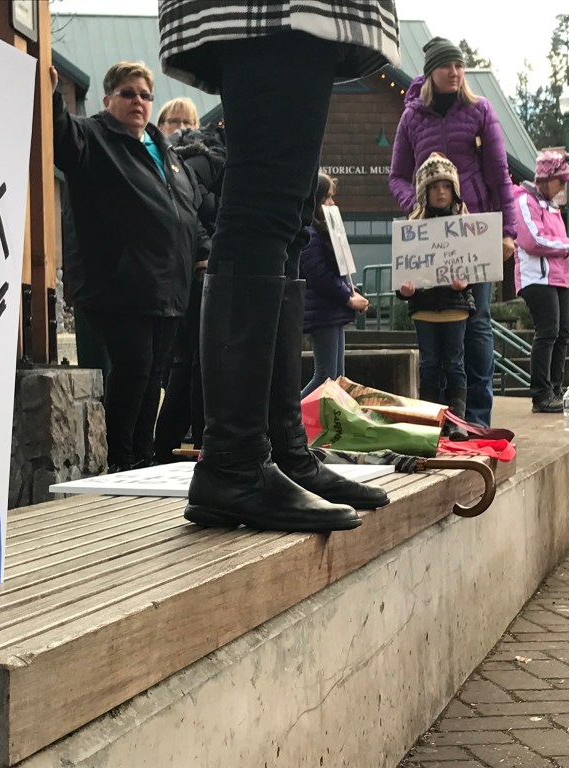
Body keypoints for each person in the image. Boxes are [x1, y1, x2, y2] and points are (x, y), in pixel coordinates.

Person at [158, 1, 399, 532]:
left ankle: (279, 452)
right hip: (277, 10)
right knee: (266, 202)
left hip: (291, 14)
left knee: (288, 213)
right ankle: (235, 461)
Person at [51, 61, 206, 473]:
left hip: (166, 287)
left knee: (153, 372)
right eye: (127, 93)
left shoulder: (164, 150)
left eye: (144, 95)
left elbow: (185, 209)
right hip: (117, 285)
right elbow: (59, 136)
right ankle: (121, 459)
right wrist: (49, 96)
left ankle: (142, 456)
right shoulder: (93, 136)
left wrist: (200, 249)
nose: (137, 101)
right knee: (134, 366)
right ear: (108, 100)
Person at [389, 36, 517, 427]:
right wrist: (416, 205)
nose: (455, 72)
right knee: (432, 330)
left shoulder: (480, 111)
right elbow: (396, 175)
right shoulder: (411, 117)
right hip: (428, 239)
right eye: (447, 66)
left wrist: (507, 230)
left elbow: (500, 175)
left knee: (475, 325)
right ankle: (438, 419)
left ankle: (476, 417)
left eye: (459, 66)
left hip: (472, 234)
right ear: (431, 72)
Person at [152, 120, 227, 463]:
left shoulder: (181, 161)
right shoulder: (206, 162)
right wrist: (204, 252)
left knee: (186, 366)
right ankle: (199, 444)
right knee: (201, 366)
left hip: (191, 271)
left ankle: (166, 447)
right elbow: (189, 209)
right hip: (201, 271)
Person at [395, 153, 474, 441]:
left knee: (454, 364)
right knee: (429, 366)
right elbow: (402, 271)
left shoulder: (465, 226)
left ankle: (456, 422)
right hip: (424, 309)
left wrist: (464, 284)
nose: (441, 191)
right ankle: (430, 421)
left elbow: (474, 269)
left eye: (446, 185)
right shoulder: (411, 228)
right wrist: (404, 291)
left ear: (454, 189)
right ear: (424, 192)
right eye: (434, 186)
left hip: (455, 308)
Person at [512, 149, 569, 413]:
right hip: (536, 279)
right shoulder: (523, 200)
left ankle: (555, 388)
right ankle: (541, 393)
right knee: (548, 331)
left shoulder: (551, 207)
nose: (563, 186)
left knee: (563, 332)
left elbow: (555, 245)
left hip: (558, 277)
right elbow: (533, 241)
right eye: (561, 181)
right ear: (546, 178)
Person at [299, 172, 369, 398]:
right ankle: (291, 415)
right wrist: (348, 298)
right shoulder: (311, 234)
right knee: (326, 376)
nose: (332, 203)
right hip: (324, 312)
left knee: (336, 378)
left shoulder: (322, 233)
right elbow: (320, 275)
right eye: (327, 198)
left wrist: (352, 293)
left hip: (331, 310)